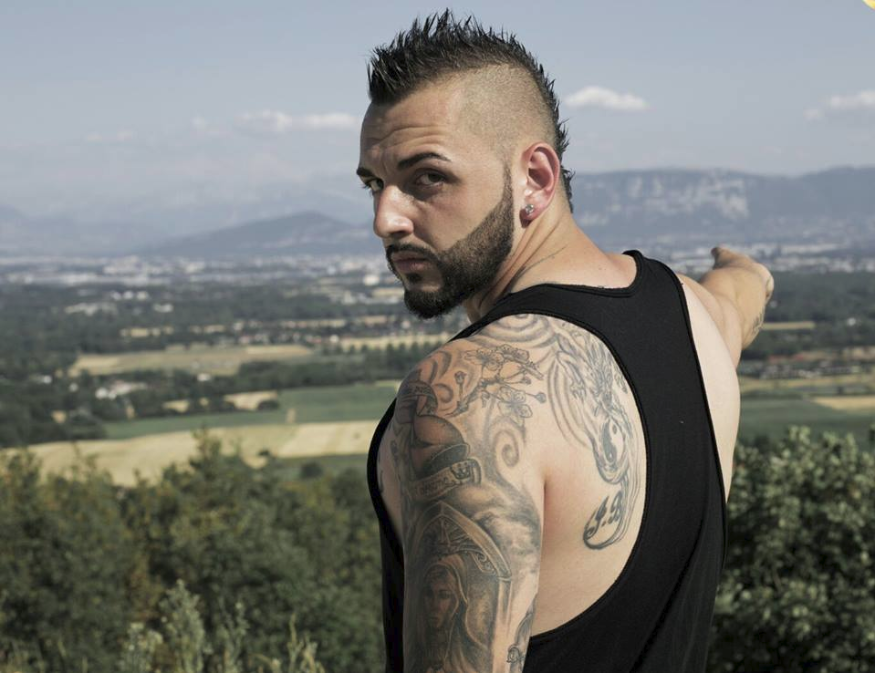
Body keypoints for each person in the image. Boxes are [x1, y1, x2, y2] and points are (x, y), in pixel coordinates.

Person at [360, 10, 774, 673]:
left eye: (427, 177)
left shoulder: (467, 397)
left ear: (535, 178)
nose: (386, 218)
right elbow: (742, 299)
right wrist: (742, 267)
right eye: (375, 184)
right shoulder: (693, 313)